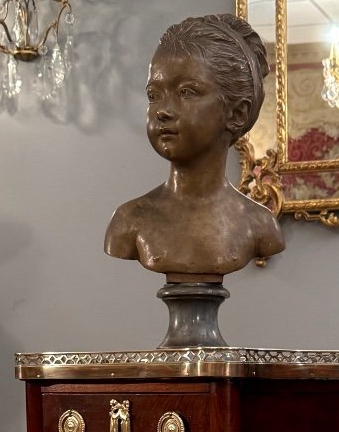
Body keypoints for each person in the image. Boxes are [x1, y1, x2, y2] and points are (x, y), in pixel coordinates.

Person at [104, 14, 285, 280]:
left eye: (187, 92)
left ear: (236, 112)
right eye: (154, 95)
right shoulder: (129, 221)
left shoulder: (259, 225)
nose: (162, 111)